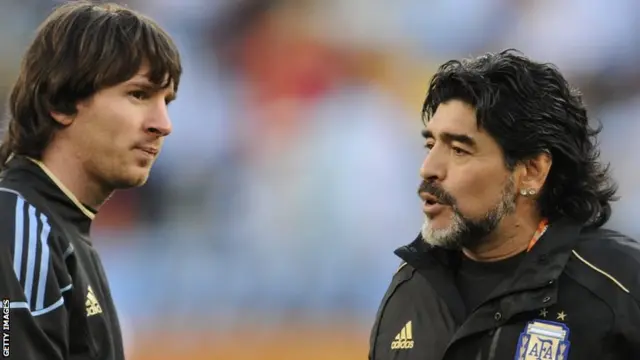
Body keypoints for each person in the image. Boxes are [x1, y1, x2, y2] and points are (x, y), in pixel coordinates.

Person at [368, 50, 640, 360]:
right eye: (431, 145)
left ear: (532, 171)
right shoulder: (410, 289)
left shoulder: (621, 287)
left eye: (459, 150)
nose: (428, 168)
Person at [0, 1, 181, 359]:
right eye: (139, 94)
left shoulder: (58, 228)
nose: (163, 124)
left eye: (167, 101)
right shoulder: (18, 223)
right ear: (62, 102)